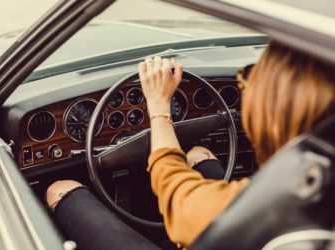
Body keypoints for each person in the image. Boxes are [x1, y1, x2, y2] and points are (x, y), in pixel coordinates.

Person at [46, 41, 335, 249]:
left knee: (60, 189)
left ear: (278, 120)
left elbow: (175, 189)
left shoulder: (285, 203)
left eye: (250, 86)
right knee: (197, 154)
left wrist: (159, 109)